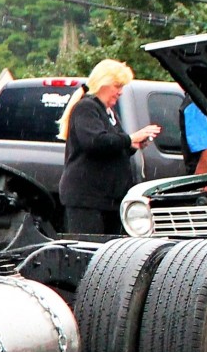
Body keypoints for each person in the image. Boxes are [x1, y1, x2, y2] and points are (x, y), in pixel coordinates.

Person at [57, 59, 159, 235]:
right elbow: (95, 142)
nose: (120, 92)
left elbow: (114, 143)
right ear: (102, 83)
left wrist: (134, 145)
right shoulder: (86, 107)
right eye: (117, 86)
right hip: (87, 198)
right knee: (89, 251)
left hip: (108, 199)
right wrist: (130, 138)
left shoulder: (108, 112)